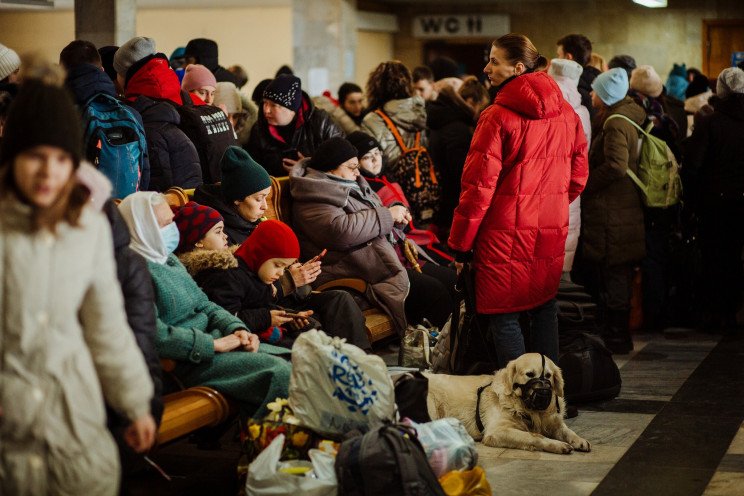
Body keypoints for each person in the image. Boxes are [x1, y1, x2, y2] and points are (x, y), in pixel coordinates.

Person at [0, 68, 155, 495]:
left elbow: (106, 326)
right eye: (35, 156)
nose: (49, 171)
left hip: (74, 423)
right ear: (12, 156)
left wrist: (135, 403)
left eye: (62, 158)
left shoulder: (87, 227)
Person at [449, 34, 588, 369]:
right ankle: (551, 399)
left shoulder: (496, 116)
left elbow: (477, 189)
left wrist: (460, 245)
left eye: (494, 61)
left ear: (519, 67)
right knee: (543, 309)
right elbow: (579, 177)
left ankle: (523, 402)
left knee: (504, 315)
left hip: (502, 234)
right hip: (549, 230)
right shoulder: (566, 113)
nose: (486, 68)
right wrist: (547, 204)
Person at [118, 191, 292, 417]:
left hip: (218, 342)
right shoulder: (130, 273)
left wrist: (237, 329)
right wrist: (213, 344)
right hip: (188, 360)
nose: (173, 229)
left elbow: (206, 305)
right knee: (281, 374)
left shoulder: (167, 259)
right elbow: (155, 335)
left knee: (301, 360)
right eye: (166, 224)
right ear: (142, 228)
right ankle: (273, 442)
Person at [291, 137, 457, 334]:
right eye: (352, 166)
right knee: (435, 292)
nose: (357, 171)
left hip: (390, 257)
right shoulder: (311, 196)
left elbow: (373, 218)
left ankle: (462, 347)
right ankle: (448, 353)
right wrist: (387, 215)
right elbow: (340, 231)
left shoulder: (353, 183)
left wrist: (396, 216)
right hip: (362, 269)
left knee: (454, 282)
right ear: (330, 168)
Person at [579, 67, 646, 353]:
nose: (591, 94)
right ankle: (617, 331)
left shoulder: (616, 123)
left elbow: (617, 165)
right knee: (617, 271)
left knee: (615, 271)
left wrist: (587, 184)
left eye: (595, 90)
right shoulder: (627, 115)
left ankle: (617, 335)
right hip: (622, 208)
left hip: (614, 211)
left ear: (606, 96)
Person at [683, 67, 744, 332]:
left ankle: (716, 314)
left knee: (715, 258)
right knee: (737, 258)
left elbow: (693, 167)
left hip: (715, 203)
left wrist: (691, 204)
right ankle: (735, 312)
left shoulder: (710, 122)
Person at [113, 36, 202, 191]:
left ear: (125, 74)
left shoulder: (133, 108)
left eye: (117, 72)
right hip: (194, 192)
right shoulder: (186, 95)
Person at [426, 76, 489, 238]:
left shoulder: (443, 119)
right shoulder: (458, 129)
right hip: (450, 205)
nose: (479, 115)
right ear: (469, 101)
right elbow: (461, 174)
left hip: (439, 200)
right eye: (480, 108)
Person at [246, 74, 343, 177]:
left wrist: (310, 168)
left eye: (274, 105)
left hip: (318, 189)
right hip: (276, 190)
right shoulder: (259, 129)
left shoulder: (322, 123)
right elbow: (253, 170)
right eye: (265, 103)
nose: (266, 110)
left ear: (292, 109)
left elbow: (345, 163)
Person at [548, 58, 592, 279]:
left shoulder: (542, 104)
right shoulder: (581, 111)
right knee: (563, 265)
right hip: (569, 194)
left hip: (541, 192)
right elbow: (581, 161)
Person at [361, 61, 427, 175]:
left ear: (376, 86)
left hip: (391, 187)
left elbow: (369, 166)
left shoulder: (372, 120)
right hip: (421, 184)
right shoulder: (421, 113)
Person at [557, 34, 600, 118]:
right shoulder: (597, 78)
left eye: (559, 55)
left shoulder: (572, 89)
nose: (556, 59)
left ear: (568, 57)